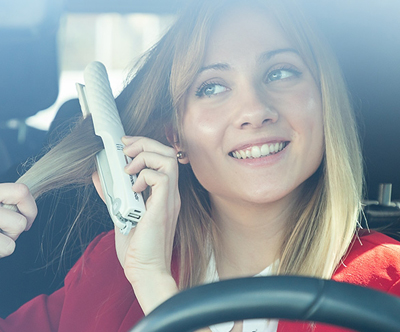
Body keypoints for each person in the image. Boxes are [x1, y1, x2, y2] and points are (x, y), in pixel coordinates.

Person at [0, 0, 399, 331]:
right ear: (175, 137)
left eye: (280, 72)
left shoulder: (386, 284)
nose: (255, 111)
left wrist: (155, 286)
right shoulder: (110, 269)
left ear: (325, 101)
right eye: (212, 87)